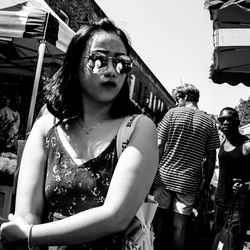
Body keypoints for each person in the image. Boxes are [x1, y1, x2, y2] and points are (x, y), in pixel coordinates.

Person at [0, 18, 158, 249]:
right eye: (99, 60)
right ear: (75, 63)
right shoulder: (46, 128)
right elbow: (27, 215)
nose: (112, 71)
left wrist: (31, 234)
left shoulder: (139, 128)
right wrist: (28, 231)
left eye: (122, 63)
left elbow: (116, 216)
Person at [152, 83, 220, 250]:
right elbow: (211, 157)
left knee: (159, 220)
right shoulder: (210, 123)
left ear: (185, 97)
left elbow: (159, 145)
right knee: (180, 226)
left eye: (178, 99)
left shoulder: (172, 114)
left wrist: (152, 172)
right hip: (189, 182)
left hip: (164, 176)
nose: (176, 103)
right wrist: (206, 183)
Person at [213, 107, 250, 250]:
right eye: (222, 120)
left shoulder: (246, 146)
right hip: (220, 202)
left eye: (230, 119)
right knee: (219, 241)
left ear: (238, 122)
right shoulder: (223, 141)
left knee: (232, 244)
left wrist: (247, 185)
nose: (226, 122)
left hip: (238, 205)